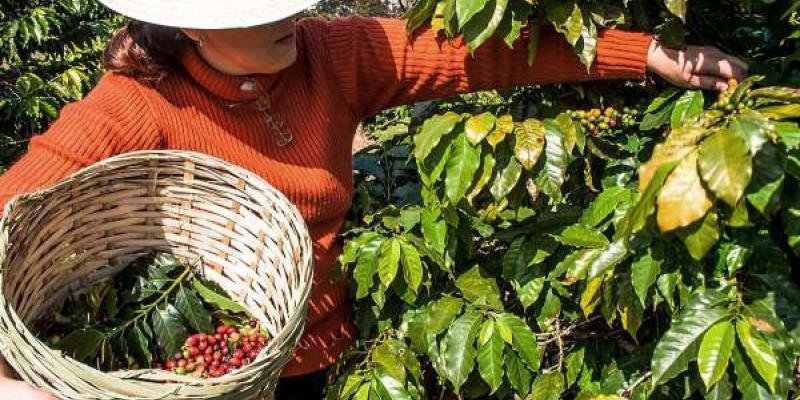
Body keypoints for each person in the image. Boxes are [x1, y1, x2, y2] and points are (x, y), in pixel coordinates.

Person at [0, 0, 746, 398]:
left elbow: (473, 54)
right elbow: (14, 205)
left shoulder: (332, 52)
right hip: (201, 382)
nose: (294, 16)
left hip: (331, 354)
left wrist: (642, 53)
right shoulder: (136, 104)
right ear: (194, 23)